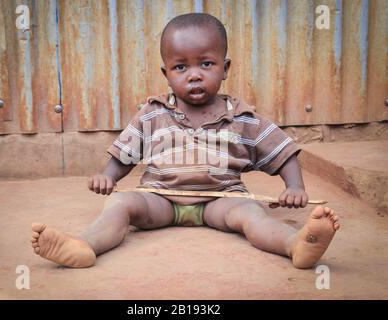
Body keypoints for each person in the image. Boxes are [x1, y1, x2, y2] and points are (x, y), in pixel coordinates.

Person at [31, 13, 339, 269]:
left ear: (225, 68)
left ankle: (294, 244)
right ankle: (85, 246)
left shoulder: (243, 118)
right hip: (160, 198)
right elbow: (124, 153)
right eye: (181, 67)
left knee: (252, 214)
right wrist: (107, 176)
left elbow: (283, 153)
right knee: (120, 204)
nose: (194, 75)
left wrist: (295, 187)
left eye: (206, 64)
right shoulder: (152, 114)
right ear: (166, 73)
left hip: (221, 201)